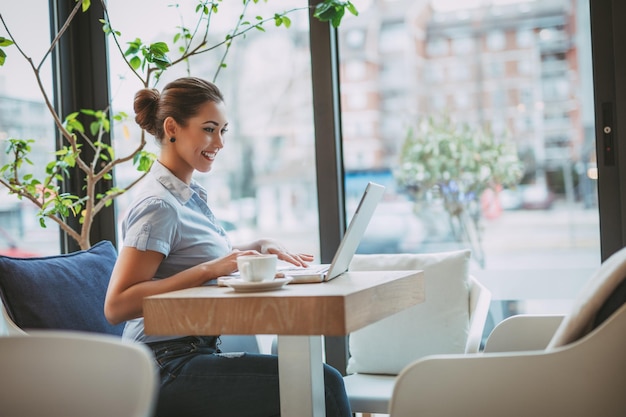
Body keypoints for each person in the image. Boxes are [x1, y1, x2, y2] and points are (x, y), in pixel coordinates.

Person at [104, 76, 352, 417]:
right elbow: (117, 305)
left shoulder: (185, 197)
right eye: (209, 129)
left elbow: (184, 257)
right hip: (163, 366)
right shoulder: (158, 205)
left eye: (223, 130)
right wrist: (211, 269)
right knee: (322, 384)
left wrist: (256, 247)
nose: (219, 142)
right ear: (172, 127)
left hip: (191, 354)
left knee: (316, 380)